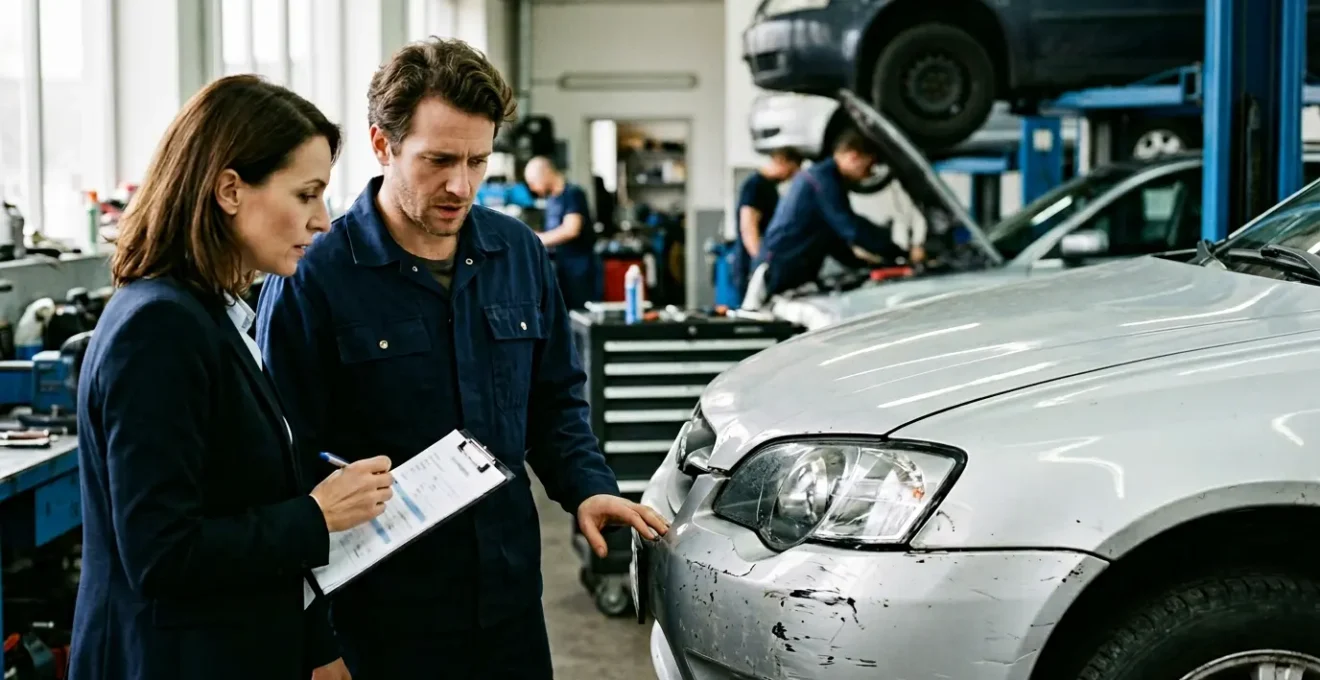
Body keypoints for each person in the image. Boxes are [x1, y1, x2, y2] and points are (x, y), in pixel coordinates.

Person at [255, 37, 669, 679]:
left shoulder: (519, 254)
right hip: (378, 622)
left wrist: (587, 487)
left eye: (478, 160)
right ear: (381, 144)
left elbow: (554, 401)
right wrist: (315, 641)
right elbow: (283, 469)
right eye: (439, 160)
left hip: (507, 607)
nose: (461, 185)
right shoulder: (315, 276)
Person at [68, 74, 395, 680]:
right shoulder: (160, 329)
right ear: (229, 190)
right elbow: (161, 553)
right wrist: (315, 515)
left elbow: (228, 482)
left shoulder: (215, 315)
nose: (323, 220)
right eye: (306, 194)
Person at [748, 127, 911, 303]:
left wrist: (870, 265)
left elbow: (834, 240)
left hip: (790, 273)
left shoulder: (824, 179)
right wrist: (899, 252)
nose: (869, 174)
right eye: (869, 165)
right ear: (853, 156)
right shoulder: (822, 180)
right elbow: (850, 228)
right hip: (777, 272)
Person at [524, 155, 600, 309]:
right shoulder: (552, 199)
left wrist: (536, 239)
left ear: (544, 174)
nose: (532, 188)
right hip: (562, 268)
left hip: (579, 270)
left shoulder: (572, 194)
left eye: (532, 183)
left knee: (579, 315)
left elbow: (571, 229)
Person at [733, 148, 803, 299]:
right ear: (782, 161)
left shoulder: (770, 188)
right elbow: (748, 228)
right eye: (791, 171)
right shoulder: (755, 186)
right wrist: (761, 264)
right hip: (751, 267)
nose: (791, 177)